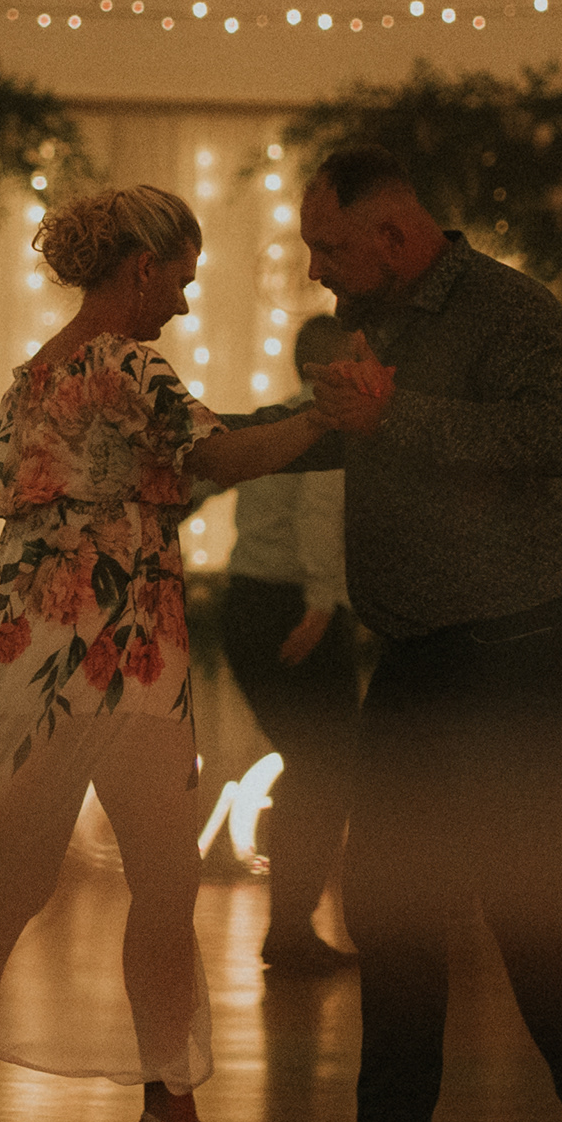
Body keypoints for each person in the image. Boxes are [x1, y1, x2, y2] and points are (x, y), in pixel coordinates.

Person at [0, 190, 364, 1122]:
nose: (184, 303)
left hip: (28, 651)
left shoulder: (36, 374)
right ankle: (168, 1118)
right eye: (182, 280)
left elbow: (30, 493)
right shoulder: (126, 366)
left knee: (8, 883)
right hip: (120, 654)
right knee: (164, 886)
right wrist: (328, 418)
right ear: (141, 268)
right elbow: (217, 453)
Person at [265, 148, 562, 1122]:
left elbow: (547, 441)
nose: (316, 270)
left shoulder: (513, 311)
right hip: (424, 644)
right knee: (389, 893)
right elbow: (355, 433)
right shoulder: (372, 315)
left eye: (328, 247)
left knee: (520, 888)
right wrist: (214, 444)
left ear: (394, 235)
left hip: (524, 637)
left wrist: (394, 415)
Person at [217, 312, 365, 976]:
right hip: (294, 605)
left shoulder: (271, 420)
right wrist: (323, 603)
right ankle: (290, 928)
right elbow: (321, 511)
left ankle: (291, 927)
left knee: (314, 767)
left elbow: (205, 480)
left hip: (252, 602)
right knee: (325, 769)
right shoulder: (324, 424)